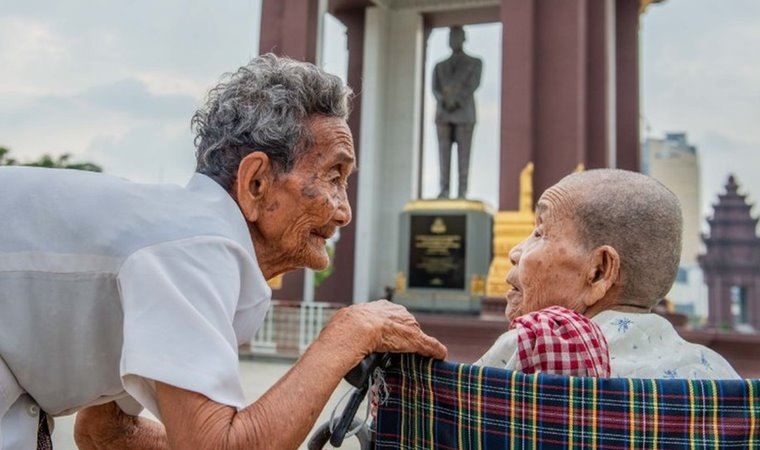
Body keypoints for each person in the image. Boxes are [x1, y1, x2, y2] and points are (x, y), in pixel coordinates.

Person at [0, 54, 446, 449]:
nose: (345, 212)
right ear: (256, 183)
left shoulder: (188, 238)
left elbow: (105, 431)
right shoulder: (195, 247)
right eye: (333, 176)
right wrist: (350, 332)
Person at [477, 169, 738, 379]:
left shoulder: (528, 351)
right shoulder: (719, 376)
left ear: (599, 271)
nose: (514, 251)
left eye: (539, 233)